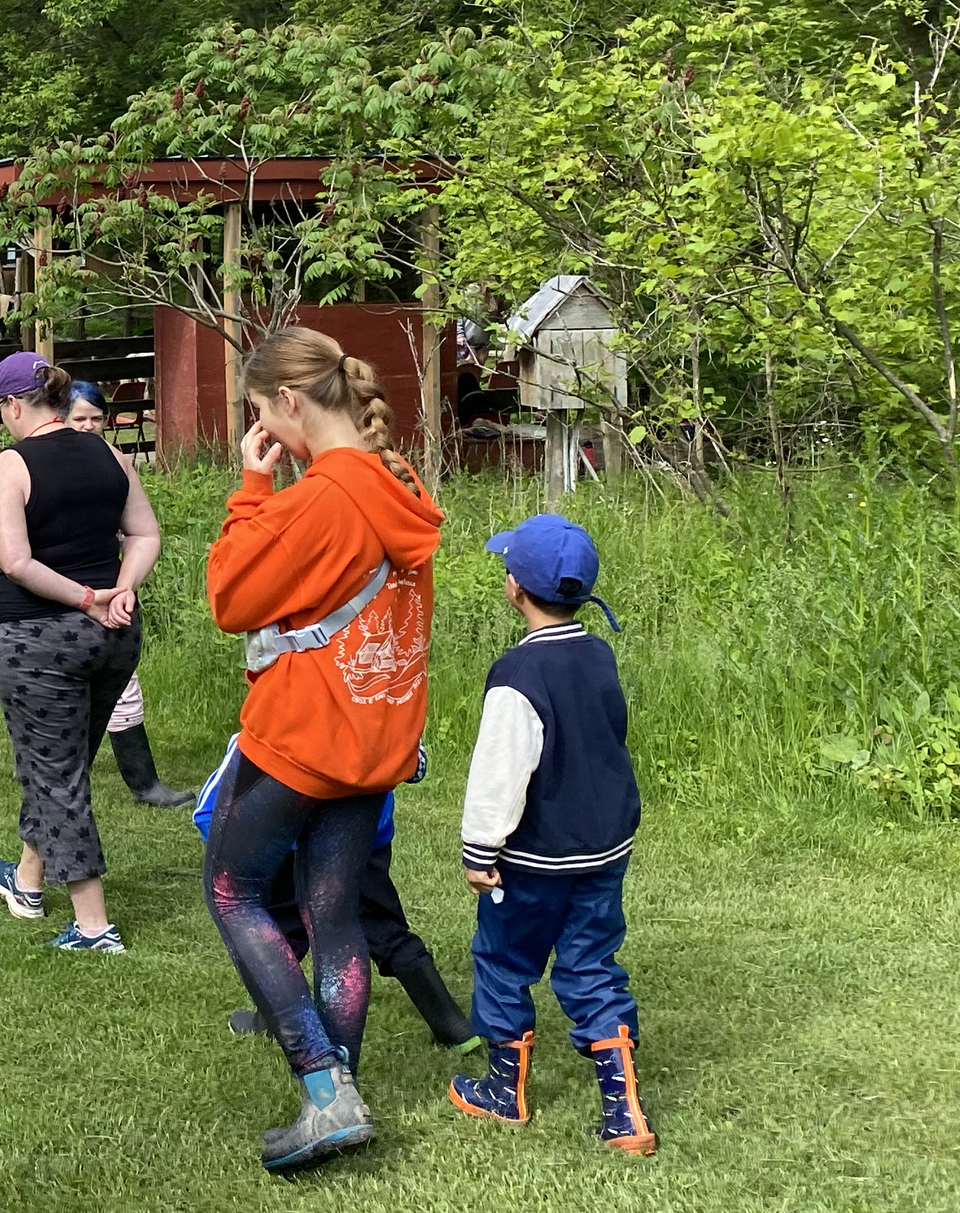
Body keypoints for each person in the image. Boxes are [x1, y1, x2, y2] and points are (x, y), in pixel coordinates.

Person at [202, 326, 443, 1173]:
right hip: (374, 733)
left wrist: (254, 480)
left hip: (305, 731)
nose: (264, 423)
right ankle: (343, 1093)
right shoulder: (395, 480)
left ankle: (323, 1083)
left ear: (291, 403)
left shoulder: (320, 497)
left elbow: (230, 594)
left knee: (232, 888)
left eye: (264, 409)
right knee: (334, 911)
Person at [449, 514, 656, 1155]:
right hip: (603, 851)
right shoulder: (598, 653)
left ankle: (503, 1093)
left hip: (532, 860)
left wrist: (479, 848)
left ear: (514, 586)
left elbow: (501, 772)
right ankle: (625, 1116)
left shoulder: (518, 674)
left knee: (504, 963)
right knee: (592, 965)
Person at [0, 352, 160, 952]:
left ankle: (93, 926)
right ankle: (28, 881)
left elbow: (16, 561)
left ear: (13, 405)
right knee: (63, 763)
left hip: (40, 639)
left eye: (0, 410)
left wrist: (86, 597)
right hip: (114, 634)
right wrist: (121, 589)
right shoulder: (108, 453)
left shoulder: (13, 464)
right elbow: (144, 533)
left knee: (55, 775)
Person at [194, 735, 477, 1049]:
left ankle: (280, 1025)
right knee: (385, 929)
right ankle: (454, 1028)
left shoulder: (265, 733)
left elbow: (209, 812)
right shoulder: (379, 707)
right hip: (365, 839)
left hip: (297, 853)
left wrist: (244, 855)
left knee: (281, 937)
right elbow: (414, 765)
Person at [63, 379, 189, 807]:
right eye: (79, 418)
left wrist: (124, 585)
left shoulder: (116, 462)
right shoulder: (38, 463)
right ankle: (55, 771)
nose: (88, 426)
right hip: (59, 592)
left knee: (121, 680)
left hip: (110, 584)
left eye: (96, 419)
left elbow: (139, 528)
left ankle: (144, 783)